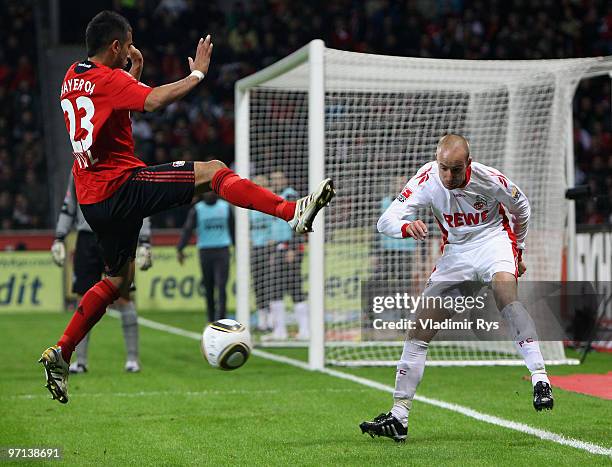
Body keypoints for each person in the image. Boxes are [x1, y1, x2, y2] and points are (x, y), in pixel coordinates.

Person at [39, 11, 334, 404]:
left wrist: (134, 74)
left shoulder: (72, 77)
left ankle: (62, 351)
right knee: (213, 172)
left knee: (116, 282)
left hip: (92, 200)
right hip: (122, 187)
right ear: (115, 47)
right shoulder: (109, 80)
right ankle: (291, 212)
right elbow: (155, 101)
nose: (131, 48)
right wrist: (196, 75)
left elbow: (110, 109)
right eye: (128, 43)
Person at [360, 134, 553, 443]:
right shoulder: (427, 179)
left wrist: (520, 251)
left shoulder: (489, 178)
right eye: (443, 168)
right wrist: (406, 227)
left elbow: (522, 206)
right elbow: (386, 221)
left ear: (469, 164)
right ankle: (399, 416)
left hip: (494, 242)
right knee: (419, 329)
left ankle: (540, 378)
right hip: (457, 256)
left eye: (455, 169)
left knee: (506, 295)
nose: (448, 176)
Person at [51, 173, 151, 373]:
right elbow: (69, 204)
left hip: (116, 234)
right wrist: (59, 237)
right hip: (87, 238)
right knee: (84, 297)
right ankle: (80, 361)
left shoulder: (123, 164)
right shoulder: (79, 168)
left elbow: (142, 202)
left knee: (123, 296)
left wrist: (144, 241)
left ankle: (132, 359)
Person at [176, 191, 233, 323]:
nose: (208, 194)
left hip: (222, 250)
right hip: (205, 251)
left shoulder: (225, 207)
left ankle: (222, 319)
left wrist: (237, 248)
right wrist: (180, 248)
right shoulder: (197, 209)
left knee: (221, 286)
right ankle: (211, 319)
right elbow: (187, 229)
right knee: (208, 287)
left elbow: (233, 229)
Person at [267, 171, 309, 340]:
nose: (275, 182)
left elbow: (299, 220)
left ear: (284, 179)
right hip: (279, 248)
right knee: (276, 288)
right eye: (273, 179)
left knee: (294, 287)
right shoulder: (276, 196)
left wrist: (292, 247)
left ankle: (305, 330)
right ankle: (280, 330)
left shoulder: (290, 194)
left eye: (278, 179)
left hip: (289, 249)